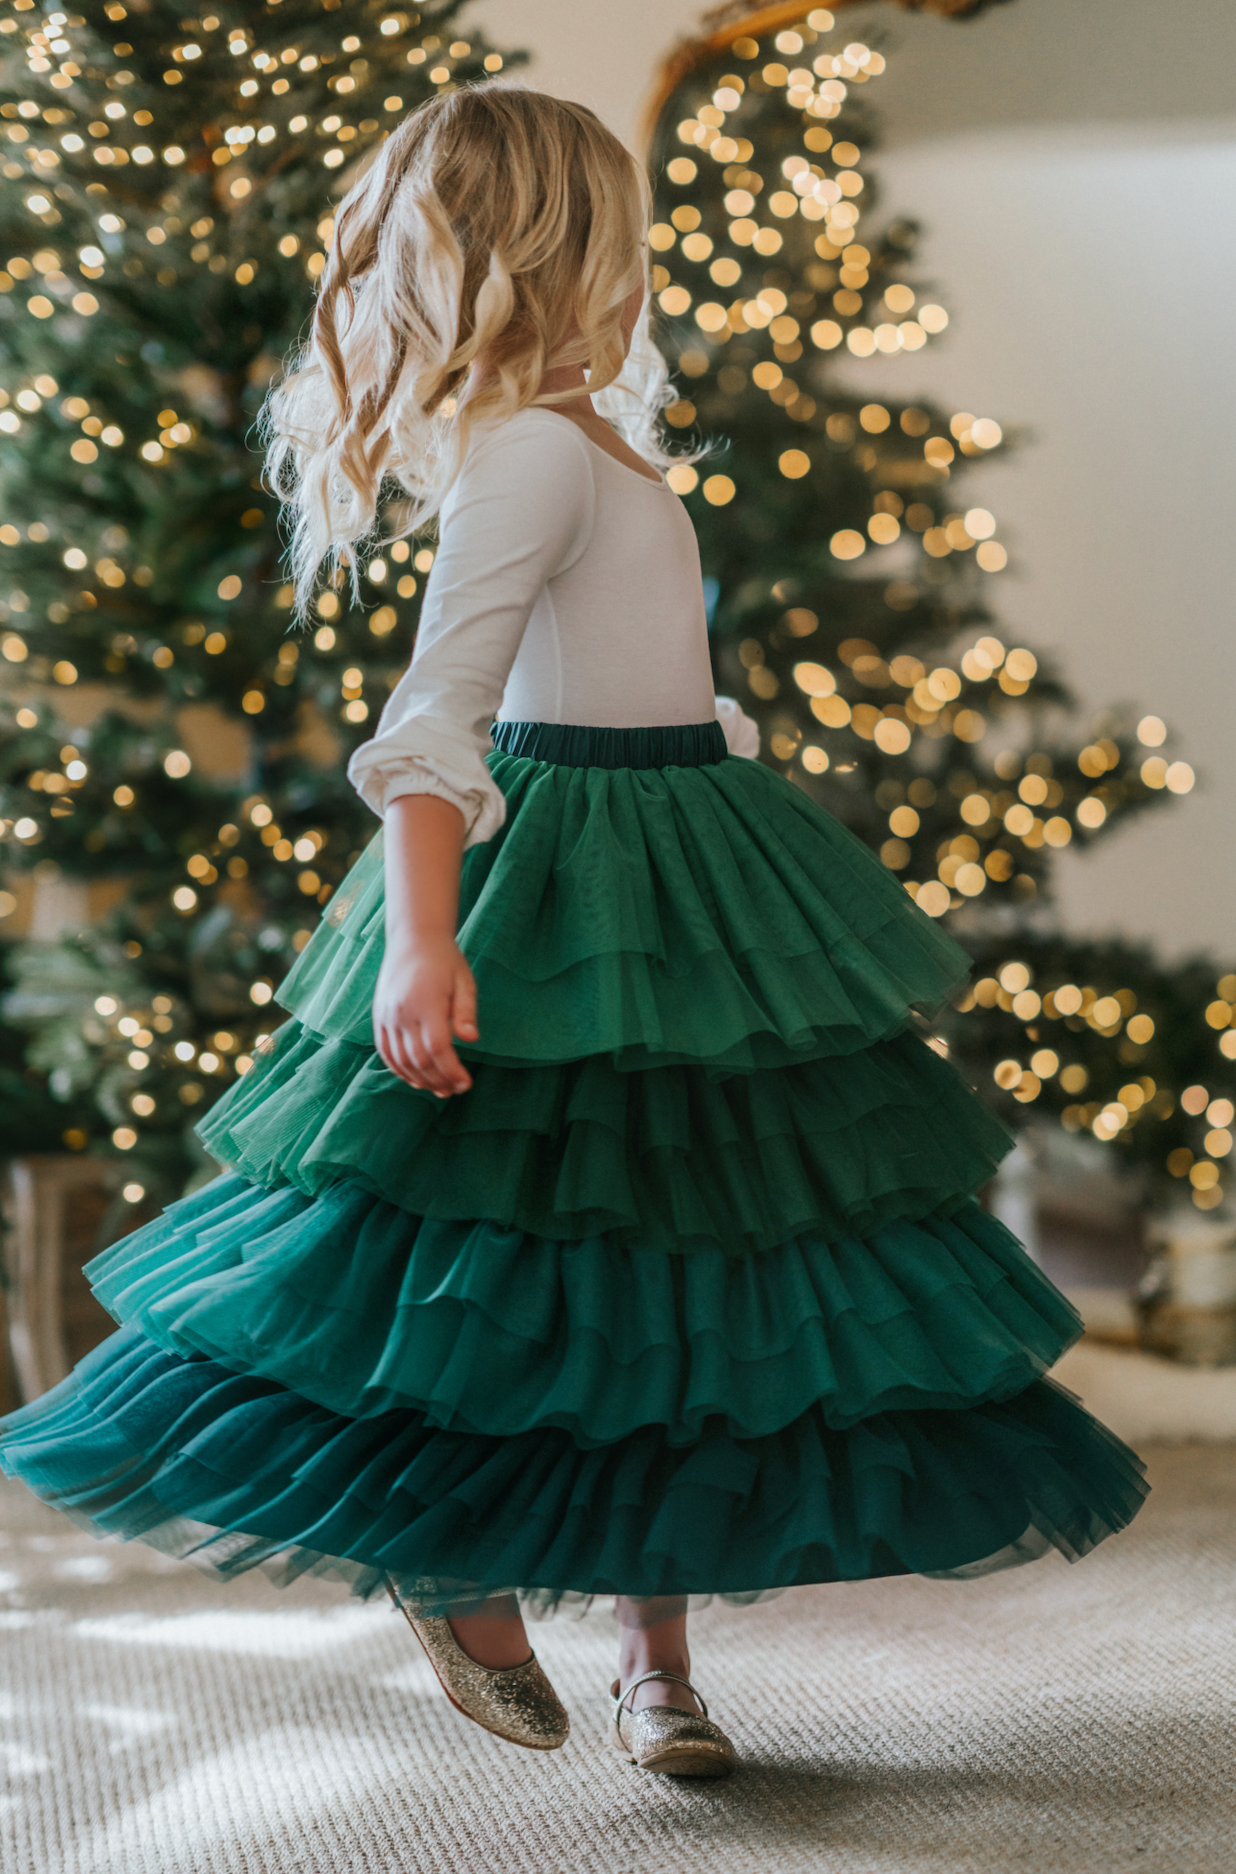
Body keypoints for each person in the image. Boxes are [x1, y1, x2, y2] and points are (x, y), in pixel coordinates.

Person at [0, 84, 1147, 1781]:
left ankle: (657, 1659)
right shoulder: (533, 451)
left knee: (675, 1287)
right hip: (564, 901)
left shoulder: (596, 438)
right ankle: (460, 1572)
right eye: (623, 235)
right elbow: (434, 718)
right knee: (521, 1272)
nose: (643, 268)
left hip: (678, 877)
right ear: (563, 248)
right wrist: (419, 942)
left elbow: (640, 670)